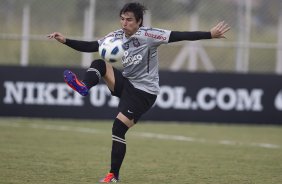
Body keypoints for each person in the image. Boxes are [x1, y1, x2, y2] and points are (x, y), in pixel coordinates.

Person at [48, 2, 230, 183]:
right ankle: (84, 87)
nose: (124, 23)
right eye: (122, 19)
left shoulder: (150, 35)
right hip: (127, 84)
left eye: (129, 20)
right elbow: (91, 46)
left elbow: (179, 35)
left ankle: (113, 176)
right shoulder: (117, 36)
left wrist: (210, 34)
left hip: (144, 93)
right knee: (100, 63)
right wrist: (65, 40)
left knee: (118, 128)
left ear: (139, 22)